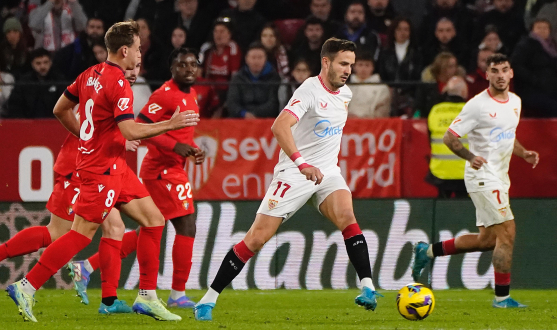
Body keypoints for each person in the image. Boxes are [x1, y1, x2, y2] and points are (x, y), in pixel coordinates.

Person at [5, 20, 199, 323]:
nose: (139, 55)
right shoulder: (118, 82)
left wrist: (87, 137)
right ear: (124, 50)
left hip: (114, 165)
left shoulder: (90, 74)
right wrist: (171, 125)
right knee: (79, 234)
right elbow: (130, 129)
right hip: (101, 170)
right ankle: (26, 286)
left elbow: (60, 109)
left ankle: (147, 296)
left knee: (154, 219)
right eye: (136, 49)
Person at [193, 38, 382, 321]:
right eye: (343, 63)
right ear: (326, 62)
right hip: (295, 172)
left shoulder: (345, 94)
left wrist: (318, 166)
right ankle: (207, 300)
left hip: (327, 171)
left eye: (351, 65)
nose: (348, 70)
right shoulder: (309, 89)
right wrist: (302, 163)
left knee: (347, 216)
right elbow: (279, 126)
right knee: (255, 240)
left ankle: (367, 287)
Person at [1, 57, 142, 314]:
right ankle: (23, 278)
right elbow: (93, 127)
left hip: (97, 166)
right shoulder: (110, 84)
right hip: (80, 167)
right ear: (121, 57)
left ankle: (109, 300)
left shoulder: (107, 81)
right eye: (131, 66)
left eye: (138, 67)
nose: (133, 72)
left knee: (115, 226)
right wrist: (115, 138)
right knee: (57, 233)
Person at [69, 47, 206, 310]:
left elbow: (180, 135)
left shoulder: (193, 94)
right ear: (171, 69)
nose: (188, 69)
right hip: (160, 171)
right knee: (185, 225)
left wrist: (189, 150)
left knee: (151, 226)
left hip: (173, 168)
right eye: (182, 65)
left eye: (193, 64)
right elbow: (140, 126)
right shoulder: (165, 95)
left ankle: (87, 266)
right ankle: (176, 294)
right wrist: (173, 146)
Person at [413, 53, 539, 308]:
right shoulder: (477, 105)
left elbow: (507, 135)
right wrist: (470, 157)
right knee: (508, 231)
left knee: (488, 240)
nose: (501, 75)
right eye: (495, 70)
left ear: (511, 73)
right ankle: (502, 298)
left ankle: (426, 251)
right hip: (482, 176)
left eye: (505, 70)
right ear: (487, 74)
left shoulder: (515, 101)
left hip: (500, 177)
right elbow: (450, 138)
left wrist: (523, 152)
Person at [426, 76, 468, 198]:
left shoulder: (435, 110)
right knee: (465, 208)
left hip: (440, 172)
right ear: (464, 92)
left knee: (442, 207)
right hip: (465, 174)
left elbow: (430, 139)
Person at [511, 18, 557, 117]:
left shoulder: (553, 47)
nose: (542, 30)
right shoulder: (525, 45)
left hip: (550, 88)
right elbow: (516, 65)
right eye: (539, 28)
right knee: (552, 106)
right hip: (531, 89)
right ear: (532, 30)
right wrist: (535, 80)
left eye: (545, 28)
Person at [378, 17, 422, 116]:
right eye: (399, 29)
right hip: (389, 97)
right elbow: (382, 74)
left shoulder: (417, 53)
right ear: (393, 31)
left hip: (410, 97)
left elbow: (417, 77)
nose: (402, 32)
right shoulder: (385, 53)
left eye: (406, 29)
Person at [5, 48, 65, 118]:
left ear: (50, 62)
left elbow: (65, 106)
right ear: (32, 64)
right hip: (27, 125)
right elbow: (14, 106)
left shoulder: (59, 80)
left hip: (54, 125)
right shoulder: (24, 82)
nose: (42, 66)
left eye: (45, 62)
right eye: (38, 63)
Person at [227, 42, 281, 118]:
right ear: (246, 59)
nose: (256, 61)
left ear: (265, 59)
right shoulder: (238, 78)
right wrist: (243, 113)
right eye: (253, 57)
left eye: (260, 57)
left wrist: (254, 114)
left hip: (266, 120)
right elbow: (232, 103)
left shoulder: (274, 77)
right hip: (240, 119)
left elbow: (273, 103)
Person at [199, 18, 242, 104]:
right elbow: (198, 73)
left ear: (229, 34)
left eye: (222, 31)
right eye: (216, 31)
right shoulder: (206, 48)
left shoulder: (233, 48)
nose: (218, 35)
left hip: (226, 90)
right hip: (208, 89)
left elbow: (234, 76)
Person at [417, 51, 466, 117]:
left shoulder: (459, 86)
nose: (455, 69)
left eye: (455, 66)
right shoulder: (426, 88)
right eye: (450, 67)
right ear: (441, 68)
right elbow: (419, 109)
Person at [348, 51, 391, 118]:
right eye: (360, 65)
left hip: (372, 123)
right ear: (354, 67)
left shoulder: (382, 88)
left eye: (367, 65)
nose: (363, 69)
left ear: (373, 68)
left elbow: (382, 111)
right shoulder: (346, 87)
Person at [137, 18, 171, 82]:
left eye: (143, 27)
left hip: (150, 83)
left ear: (149, 31)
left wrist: (143, 74)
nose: (140, 31)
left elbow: (160, 71)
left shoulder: (158, 49)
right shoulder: (127, 49)